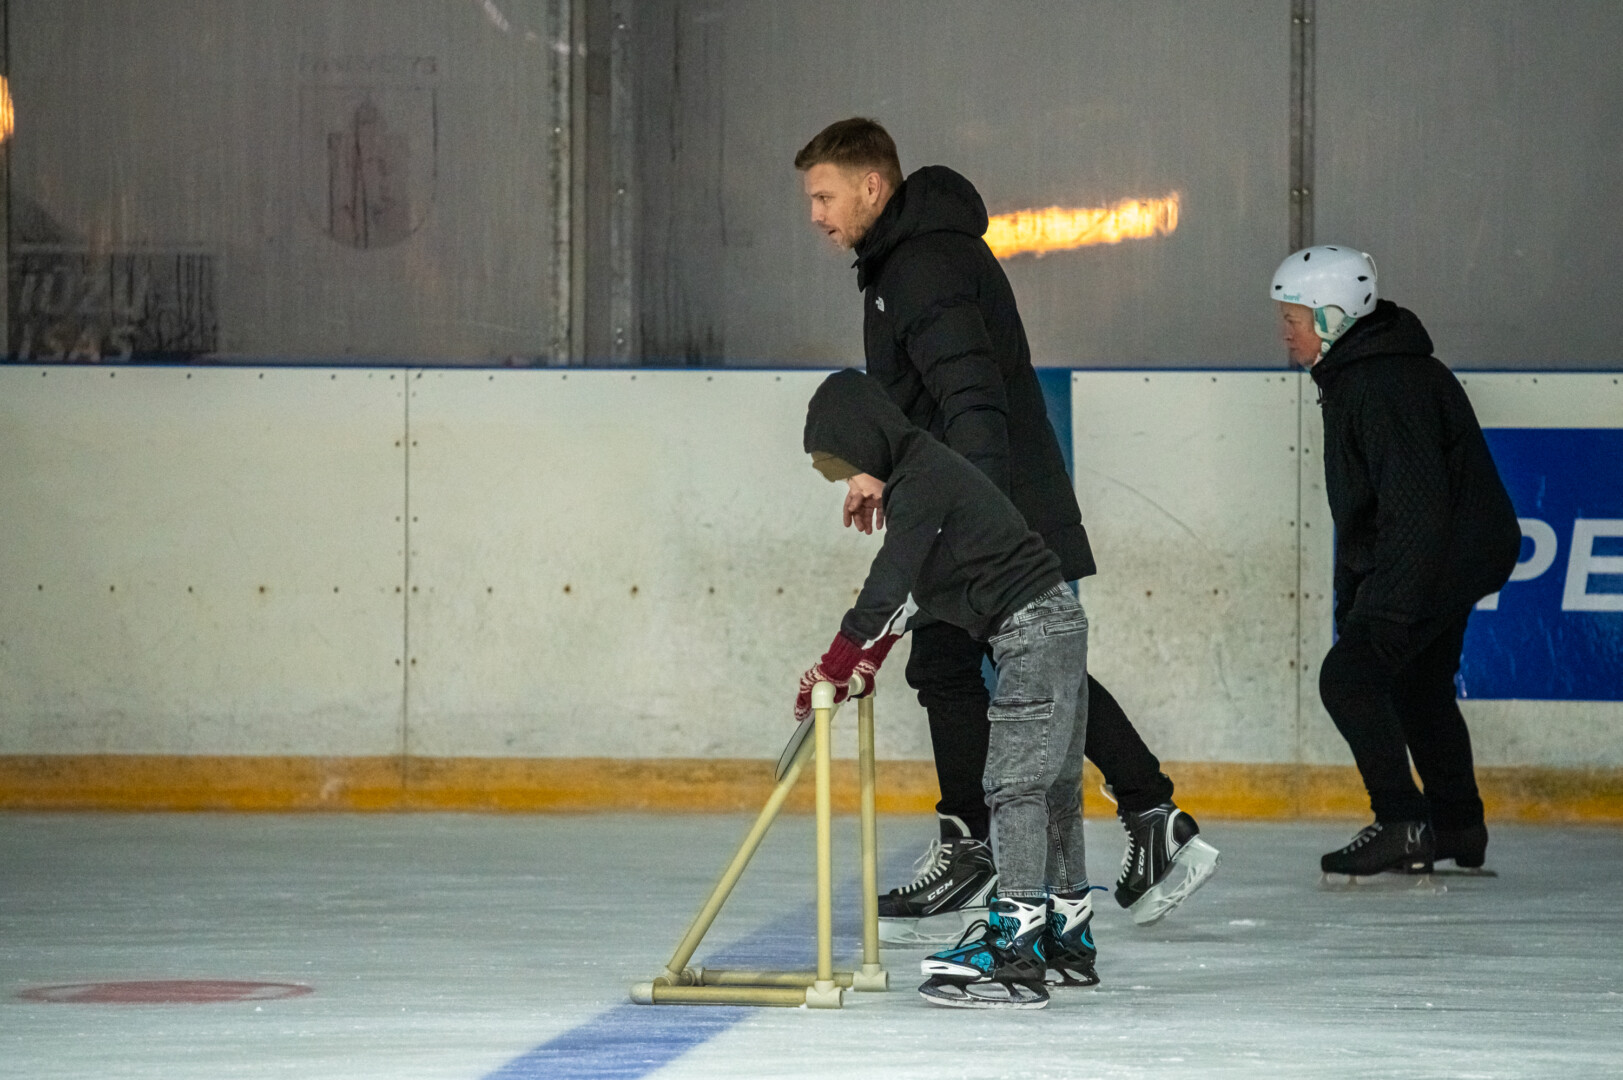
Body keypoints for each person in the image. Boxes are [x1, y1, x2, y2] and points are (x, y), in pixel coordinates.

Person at [794, 117, 1216, 935]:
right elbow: (927, 400)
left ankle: (1034, 836)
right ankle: (1130, 816)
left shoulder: (921, 266)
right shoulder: (904, 262)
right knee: (981, 662)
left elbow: (971, 400)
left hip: (993, 506)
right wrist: (880, 467)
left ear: (872, 186)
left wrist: (966, 520)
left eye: (824, 196)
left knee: (987, 660)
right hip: (984, 499)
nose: (814, 214)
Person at [796, 368, 1096, 1009]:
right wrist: (870, 657)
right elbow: (920, 592)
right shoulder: (923, 475)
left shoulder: (921, 478)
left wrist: (836, 663)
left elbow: (889, 579)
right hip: (1057, 624)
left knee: (1015, 789)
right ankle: (1066, 939)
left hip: (1031, 633)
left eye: (847, 469)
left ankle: (1014, 951)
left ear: (867, 438)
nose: (851, 489)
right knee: (1054, 792)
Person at [1271, 245, 1521, 875]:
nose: (1285, 331)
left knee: (1349, 679)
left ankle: (1404, 822)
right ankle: (1458, 826)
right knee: (1418, 685)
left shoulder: (1383, 383)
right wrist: (1360, 599)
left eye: (1293, 318)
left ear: (1331, 319)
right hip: (1457, 550)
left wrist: (1382, 614)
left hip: (1447, 553)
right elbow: (1371, 513)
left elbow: (1414, 509)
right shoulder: (1362, 372)